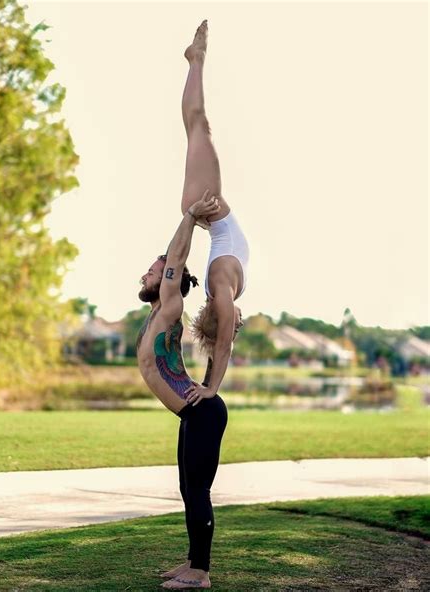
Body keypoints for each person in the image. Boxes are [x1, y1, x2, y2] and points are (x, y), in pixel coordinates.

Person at [137, 189, 227, 590]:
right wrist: (206, 383)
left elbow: (176, 258)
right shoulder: (158, 312)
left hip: (202, 412)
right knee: (186, 488)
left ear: (168, 281)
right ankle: (191, 561)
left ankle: (201, 573)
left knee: (197, 488)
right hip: (192, 412)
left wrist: (190, 216)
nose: (146, 275)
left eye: (152, 272)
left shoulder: (170, 305)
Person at [180, 20, 249, 410]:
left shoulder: (222, 290)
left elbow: (223, 345)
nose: (239, 322)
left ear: (220, 316)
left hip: (207, 205)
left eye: (234, 323)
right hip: (205, 212)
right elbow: (221, 340)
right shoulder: (226, 290)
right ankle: (196, 61)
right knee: (195, 127)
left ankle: (196, 60)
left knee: (199, 125)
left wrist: (212, 388)